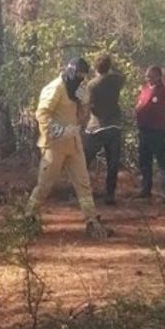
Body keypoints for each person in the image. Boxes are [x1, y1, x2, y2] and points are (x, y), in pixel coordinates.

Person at [26, 58, 111, 239]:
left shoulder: (76, 90)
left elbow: (81, 116)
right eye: (78, 75)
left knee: (83, 183)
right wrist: (59, 131)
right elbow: (42, 114)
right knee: (45, 184)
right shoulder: (55, 88)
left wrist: (85, 104)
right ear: (71, 72)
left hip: (73, 142)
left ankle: (92, 221)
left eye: (83, 76)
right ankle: (28, 218)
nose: (80, 79)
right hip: (54, 144)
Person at [83, 54, 124, 205]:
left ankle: (82, 191)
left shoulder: (92, 85)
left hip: (97, 127)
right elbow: (122, 75)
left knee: (85, 159)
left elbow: (87, 103)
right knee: (112, 163)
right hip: (114, 126)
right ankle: (110, 194)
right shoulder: (116, 80)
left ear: (95, 68)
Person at [135, 65, 165, 201]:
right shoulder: (145, 88)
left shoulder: (164, 89)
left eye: (151, 75)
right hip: (144, 130)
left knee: (162, 162)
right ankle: (145, 189)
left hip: (158, 131)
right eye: (147, 76)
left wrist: (161, 69)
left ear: (158, 77)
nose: (148, 78)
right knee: (144, 161)